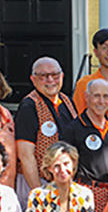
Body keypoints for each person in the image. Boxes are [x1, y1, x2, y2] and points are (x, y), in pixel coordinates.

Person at [61, 77, 108, 212]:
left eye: (105, 96)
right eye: (96, 96)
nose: (101, 101)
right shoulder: (73, 129)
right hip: (87, 193)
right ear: (87, 97)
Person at [15, 56, 77, 193]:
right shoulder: (29, 106)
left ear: (62, 76)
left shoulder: (67, 102)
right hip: (37, 182)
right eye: (43, 76)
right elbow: (25, 155)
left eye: (54, 75)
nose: (50, 80)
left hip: (63, 180)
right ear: (33, 79)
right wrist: (39, 192)